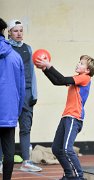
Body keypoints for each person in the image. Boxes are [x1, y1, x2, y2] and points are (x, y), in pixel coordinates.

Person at [35, 55, 94, 180]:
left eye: (81, 63)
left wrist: (49, 66)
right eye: (78, 62)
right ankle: (69, 175)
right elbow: (57, 81)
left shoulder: (85, 78)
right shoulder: (77, 79)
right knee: (56, 149)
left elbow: (62, 79)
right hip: (66, 117)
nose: (78, 64)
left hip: (74, 118)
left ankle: (79, 176)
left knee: (67, 149)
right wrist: (45, 70)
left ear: (87, 70)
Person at [0, 19, 42, 172]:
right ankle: (1, 161)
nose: (19, 33)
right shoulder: (5, 48)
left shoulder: (28, 49)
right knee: (4, 127)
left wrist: (34, 93)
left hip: (27, 93)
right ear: (9, 32)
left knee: (26, 127)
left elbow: (31, 72)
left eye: (21, 30)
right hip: (10, 94)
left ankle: (26, 161)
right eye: (15, 30)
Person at [0, 17, 25, 180]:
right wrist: (16, 111)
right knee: (9, 152)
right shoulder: (16, 57)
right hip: (9, 111)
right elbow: (22, 89)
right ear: (4, 31)